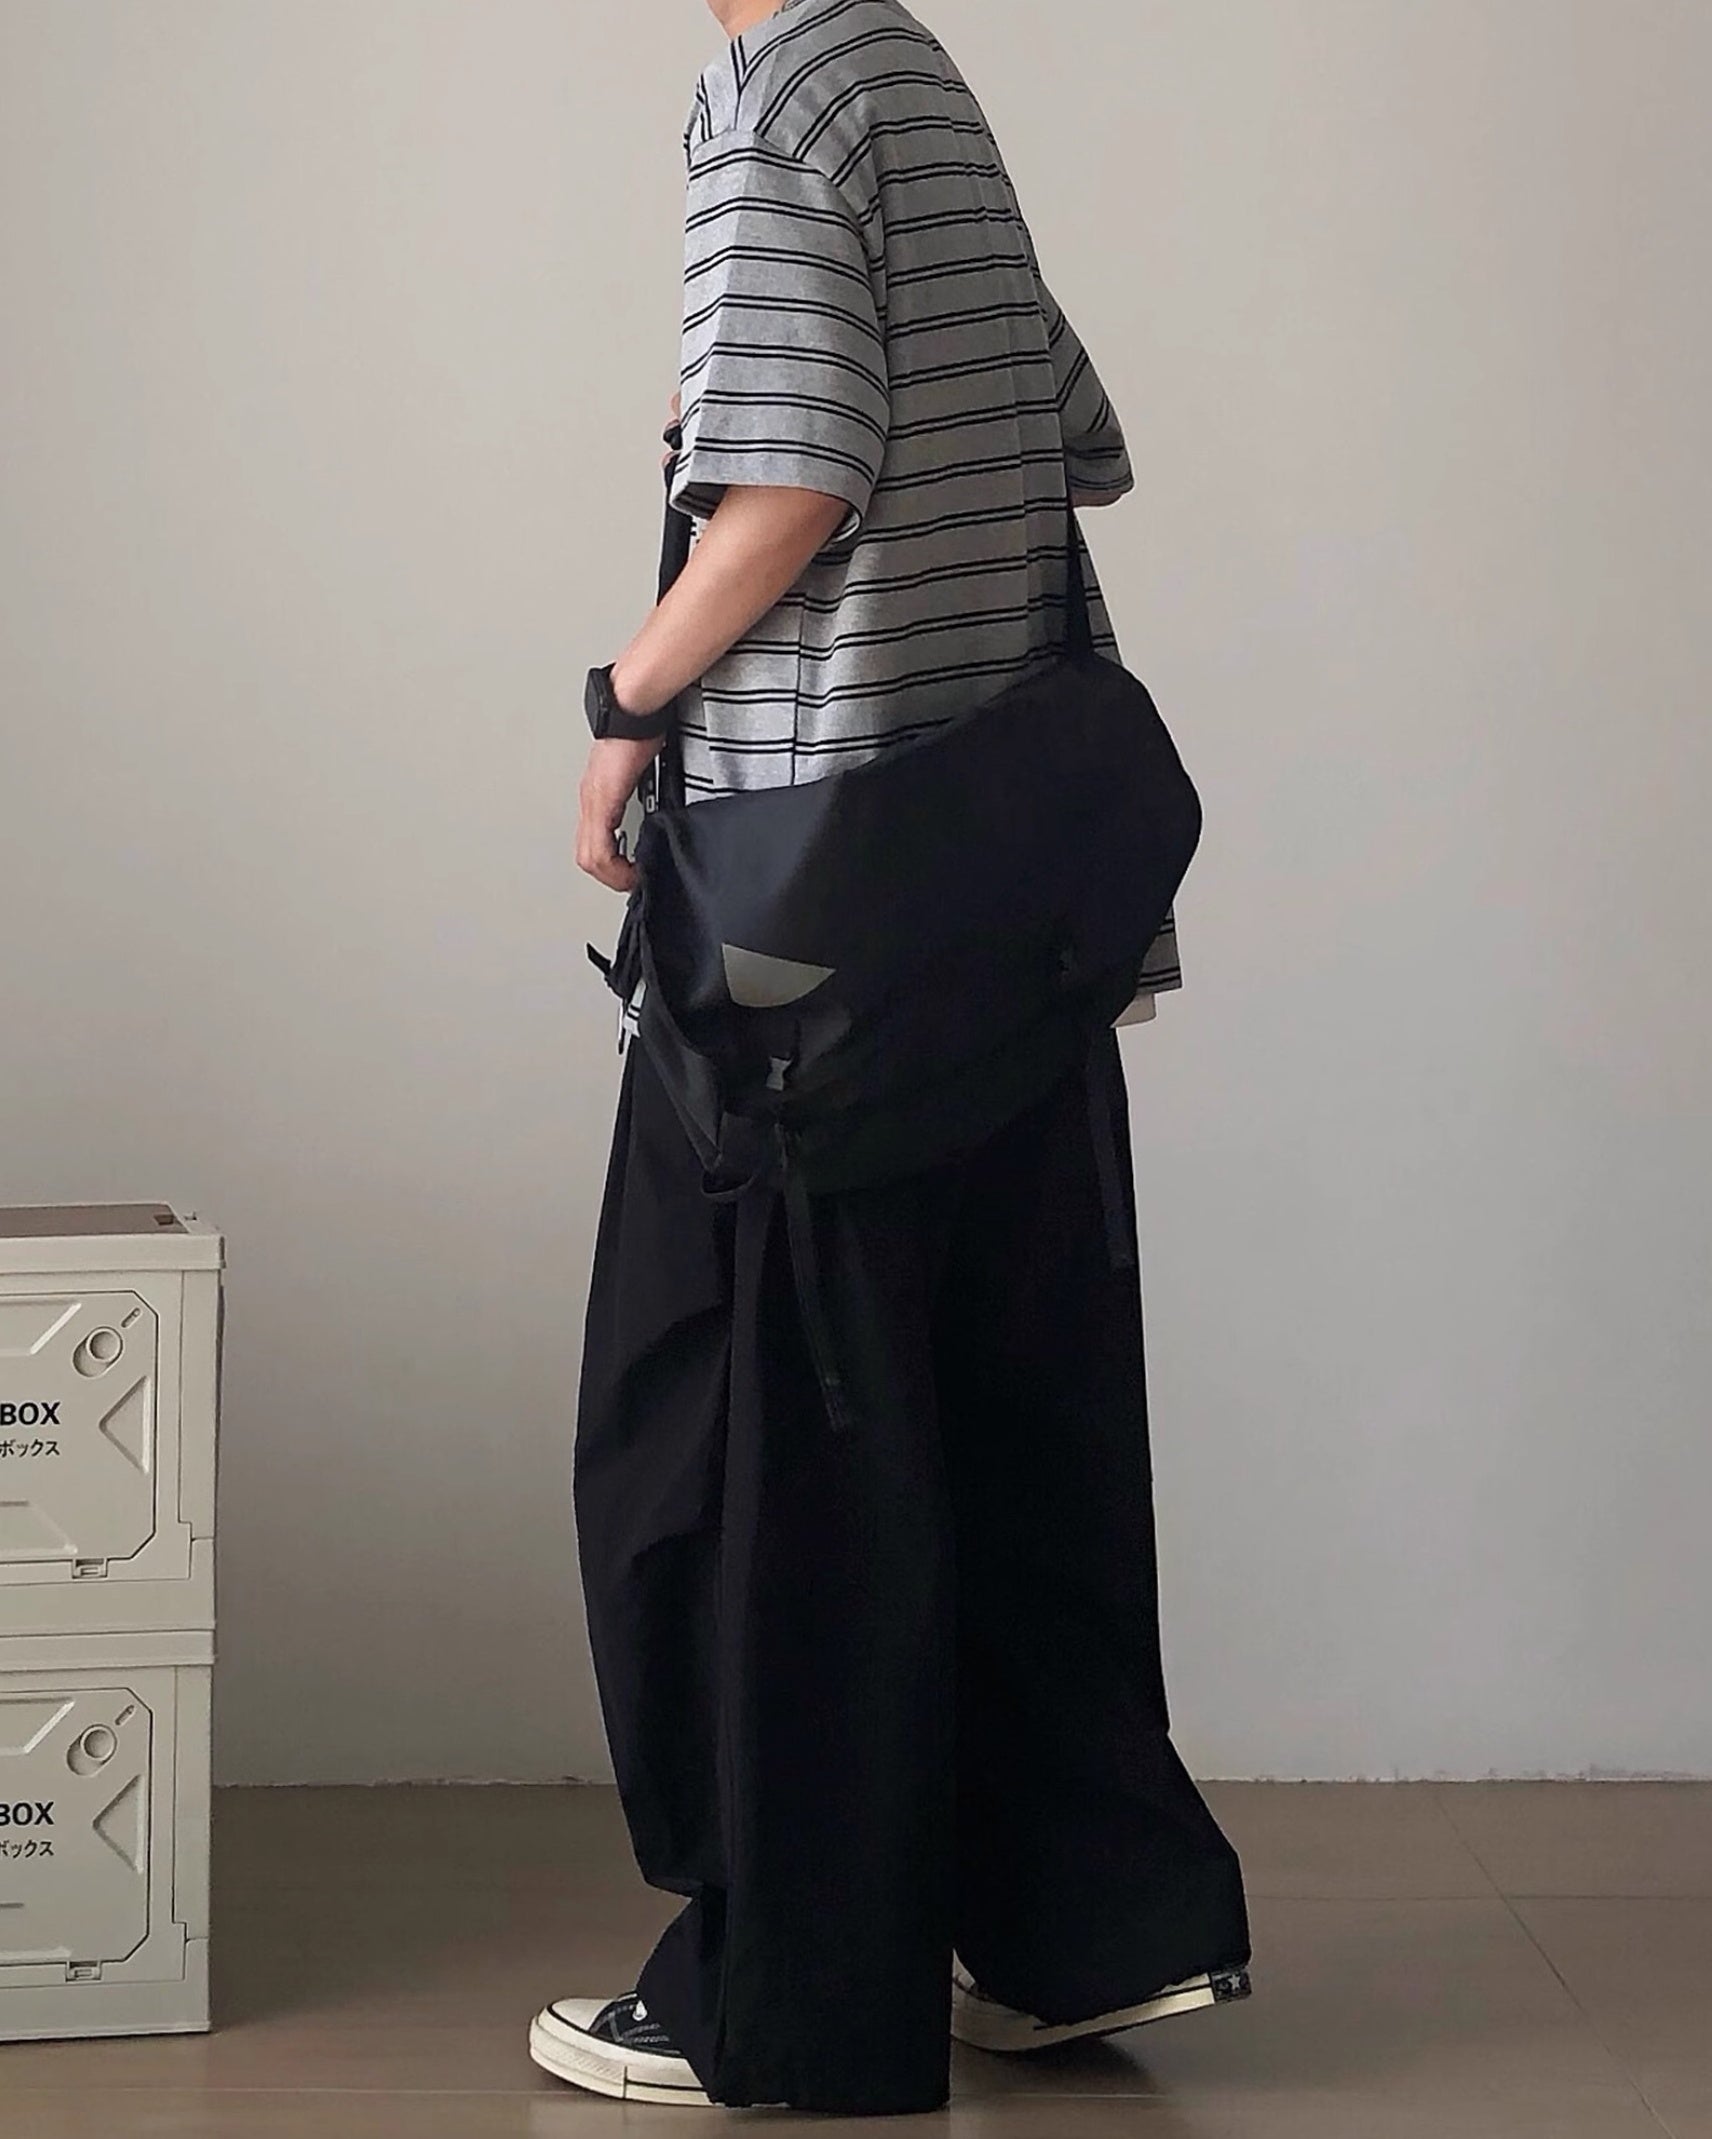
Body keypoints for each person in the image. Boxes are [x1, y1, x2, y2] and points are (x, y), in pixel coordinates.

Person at [529, 0, 1252, 2114]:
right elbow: (1070, 428)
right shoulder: (911, 71)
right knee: (1007, 1409)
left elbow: (797, 486)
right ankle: (1073, 1930)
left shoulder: (768, 103)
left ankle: (788, 1994)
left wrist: (623, 698)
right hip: (999, 879)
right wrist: (742, 395)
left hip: (810, 918)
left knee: (744, 1441)